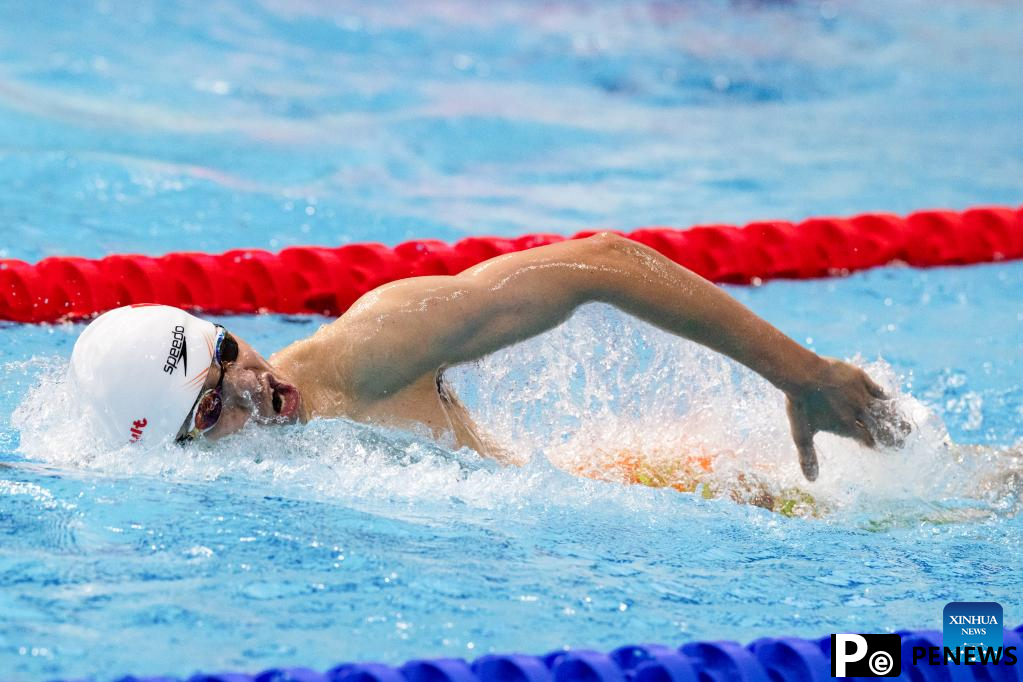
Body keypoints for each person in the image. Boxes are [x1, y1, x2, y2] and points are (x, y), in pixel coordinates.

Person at [69, 233, 904, 483]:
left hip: (723, 493)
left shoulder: (363, 355)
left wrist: (802, 374)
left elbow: (601, 262)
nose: (254, 389)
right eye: (212, 409)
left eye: (226, 352)